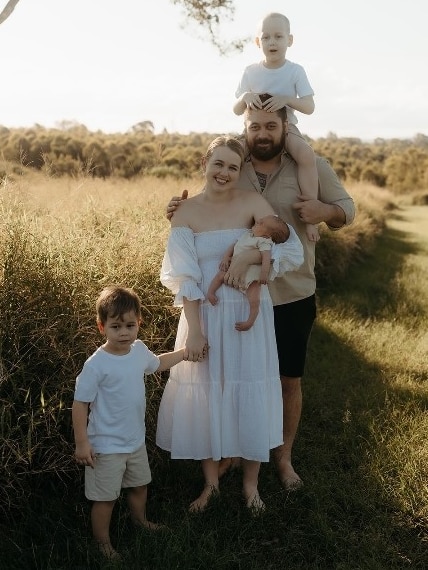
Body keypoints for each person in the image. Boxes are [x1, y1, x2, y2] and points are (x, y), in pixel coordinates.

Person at [166, 96, 355, 491]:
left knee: (286, 379)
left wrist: (325, 211)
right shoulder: (239, 166)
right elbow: (206, 211)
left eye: (272, 126)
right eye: (256, 127)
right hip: (236, 297)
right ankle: (231, 451)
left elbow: (345, 209)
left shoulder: (310, 166)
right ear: (245, 128)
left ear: (286, 127)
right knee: (231, 375)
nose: (263, 133)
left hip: (292, 291)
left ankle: (282, 459)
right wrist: (179, 210)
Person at [156, 135, 304, 514]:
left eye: (233, 167)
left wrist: (250, 258)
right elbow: (185, 277)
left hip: (248, 315)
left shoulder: (252, 203)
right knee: (206, 391)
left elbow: (288, 247)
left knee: (251, 386)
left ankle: (251, 485)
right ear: (205, 162)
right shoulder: (185, 212)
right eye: (218, 164)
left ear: (241, 172)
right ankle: (212, 484)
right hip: (204, 314)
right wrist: (196, 329)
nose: (224, 173)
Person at [72, 285, 197, 560]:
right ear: (101, 326)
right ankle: (102, 543)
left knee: (140, 485)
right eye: (116, 327)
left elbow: (157, 364)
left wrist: (184, 353)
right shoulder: (96, 365)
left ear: (138, 323)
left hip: (134, 440)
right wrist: (82, 442)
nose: (125, 332)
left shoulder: (138, 350)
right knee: (105, 498)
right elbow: (80, 404)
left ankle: (139, 521)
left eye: (130, 325)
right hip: (105, 445)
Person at [234, 12, 320, 243]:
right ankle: (209, 205)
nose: (272, 42)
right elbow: (235, 109)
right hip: (251, 130)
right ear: (257, 42)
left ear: (289, 40)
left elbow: (309, 106)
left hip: (286, 127)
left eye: (278, 37)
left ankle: (310, 216)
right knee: (227, 155)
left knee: (305, 154)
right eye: (266, 37)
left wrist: (286, 99)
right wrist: (245, 96)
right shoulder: (250, 71)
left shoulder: (294, 71)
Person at [207, 214, 289, 331]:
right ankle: (211, 293)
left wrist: (264, 274)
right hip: (233, 269)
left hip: (251, 277)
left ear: (267, 235)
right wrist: (226, 257)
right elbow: (233, 246)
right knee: (220, 275)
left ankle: (250, 321)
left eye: (262, 223)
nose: (259, 220)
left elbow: (266, 258)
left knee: (254, 299)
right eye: (261, 219)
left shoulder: (264, 242)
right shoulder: (247, 234)